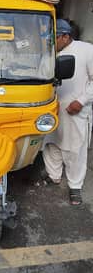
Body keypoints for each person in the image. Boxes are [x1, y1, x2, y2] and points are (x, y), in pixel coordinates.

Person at [42, 19, 93, 205]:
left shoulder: (86, 50)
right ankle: (54, 175)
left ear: (65, 36)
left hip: (76, 111)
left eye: (55, 38)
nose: (52, 42)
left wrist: (81, 101)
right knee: (50, 144)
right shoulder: (49, 53)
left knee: (75, 149)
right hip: (52, 108)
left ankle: (75, 186)